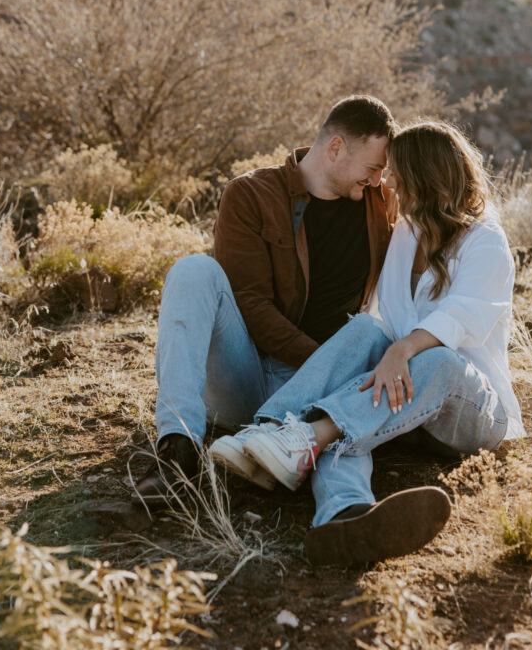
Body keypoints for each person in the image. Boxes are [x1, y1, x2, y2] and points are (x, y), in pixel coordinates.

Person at [211, 120, 525, 566]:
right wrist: (380, 346)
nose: (387, 181)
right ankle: (318, 488)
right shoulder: (408, 231)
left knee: (436, 360)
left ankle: (308, 436)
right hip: (404, 404)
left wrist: (401, 349)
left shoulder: (485, 240)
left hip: (468, 410)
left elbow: (461, 321)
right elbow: (378, 320)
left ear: (426, 177)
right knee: (363, 332)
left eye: (396, 171)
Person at [132, 94, 396, 508]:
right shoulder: (252, 194)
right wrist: (321, 360)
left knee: (364, 342)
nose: (377, 181)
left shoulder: (379, 204)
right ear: (335, 148)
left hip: (328, 384)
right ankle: (178, 453)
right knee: (192, 270)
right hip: (250, 375)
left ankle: (344, 509)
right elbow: (250, 304)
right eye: (373, 168)